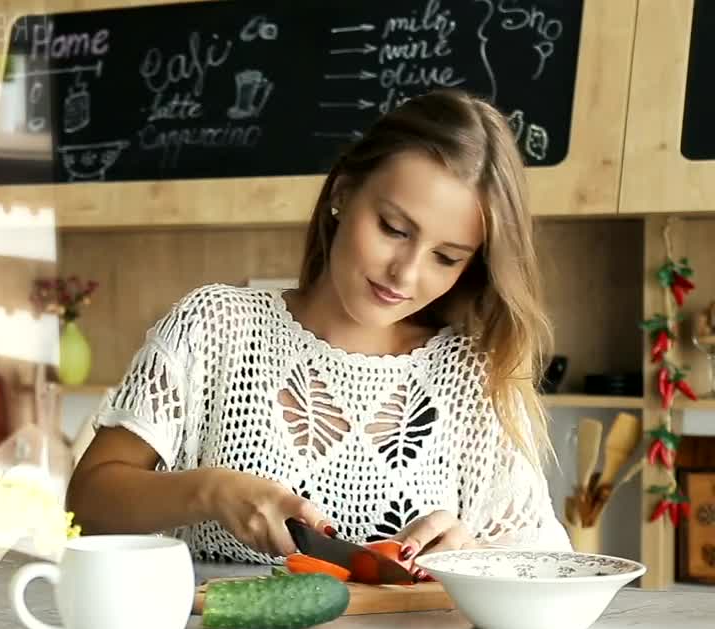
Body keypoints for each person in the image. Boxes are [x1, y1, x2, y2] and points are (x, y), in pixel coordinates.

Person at [67, 89, 572, 570]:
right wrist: (212, 492)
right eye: (394, 229)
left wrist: (469, 555)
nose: (406, 273)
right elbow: (88, 501)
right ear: (343, 192)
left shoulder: (475, 375)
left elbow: (544, 564)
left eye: (446, 257)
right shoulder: (213, 326)